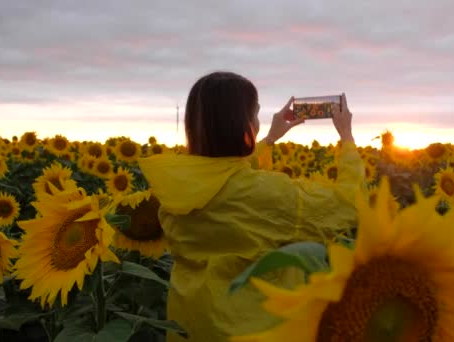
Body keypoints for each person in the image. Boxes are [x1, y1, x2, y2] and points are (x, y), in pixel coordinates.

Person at [138, 71, 365, 342]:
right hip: (254, 329)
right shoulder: (269, 194)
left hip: (194, 325)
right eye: (255, 114)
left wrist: (270, 138)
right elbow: (349, 206)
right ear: (242, 123)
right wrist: (347, 138)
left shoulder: (176, 184)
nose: (258, 122)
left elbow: (225, 173)